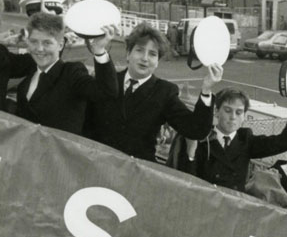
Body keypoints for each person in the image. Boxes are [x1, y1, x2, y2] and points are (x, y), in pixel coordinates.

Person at [85, 23, 220, 161]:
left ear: (157, 62)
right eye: (139, 50)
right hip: (98, 166)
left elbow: (195, 130)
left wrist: (206, 89)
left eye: (152, 54)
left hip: (138, 172)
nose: (145, 58)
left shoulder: (165, 92)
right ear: (128, 54)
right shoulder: (106, 81)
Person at [184, 85, 287, 192]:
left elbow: (284, 142)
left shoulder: (246, 140)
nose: (233, 117)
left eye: (238, 113)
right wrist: (190, 154)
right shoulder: (201, 137)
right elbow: (185, 177)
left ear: (244, 116)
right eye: (228, 110)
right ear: (216, 111)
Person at [14, 12, 120, 135]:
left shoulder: (71, 73)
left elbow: (107, 92)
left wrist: (100, 51)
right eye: (34, 42)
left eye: (47, 43)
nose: (39, 49)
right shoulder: (25, 82)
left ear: (60, 45)